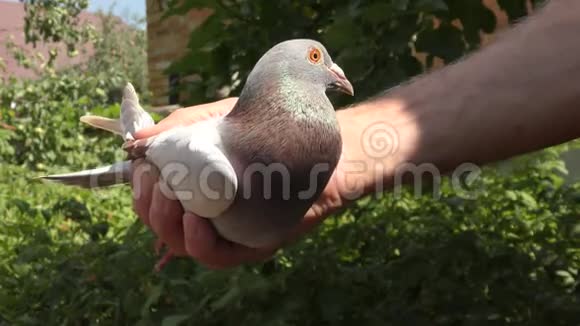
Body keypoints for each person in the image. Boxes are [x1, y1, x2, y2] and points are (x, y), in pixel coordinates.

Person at [131, 0, 580, 269]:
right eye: (316, 56)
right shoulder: (209, 158)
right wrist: (142, 142)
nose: (334, 70)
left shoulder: (313, 146)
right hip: (181, 155)